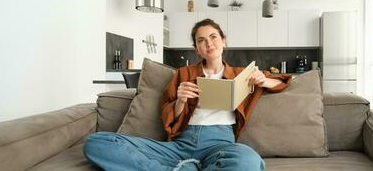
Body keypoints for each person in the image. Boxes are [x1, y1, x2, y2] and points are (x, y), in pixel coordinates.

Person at [83, 19, 292, 171]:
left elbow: (282, 81)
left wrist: (264, 80)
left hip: (220, 144)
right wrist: (180, 101)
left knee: (249, 161)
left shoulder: (241, 74)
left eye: (213, 37)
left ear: (223, 41)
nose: (209, 43)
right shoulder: (183, 74)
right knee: (96, 143)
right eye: (201, 41)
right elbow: (169, 117)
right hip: (179, 145)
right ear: (197, 49)